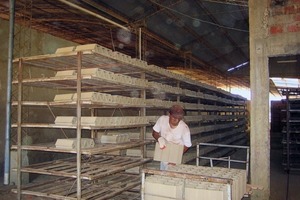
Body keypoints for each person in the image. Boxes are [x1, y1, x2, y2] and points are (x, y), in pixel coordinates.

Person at [152, 104, 192, 170]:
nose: (176, 120)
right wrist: (159, 138)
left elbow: (187, 145)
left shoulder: (184, 128)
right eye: (174, 118)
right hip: (164, 153)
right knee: (162, 175)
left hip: (175, 156)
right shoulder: (162, 120)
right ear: (169, 115)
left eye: (178, 119)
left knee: (172, 175)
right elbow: (154, 132)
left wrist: (175, 156)